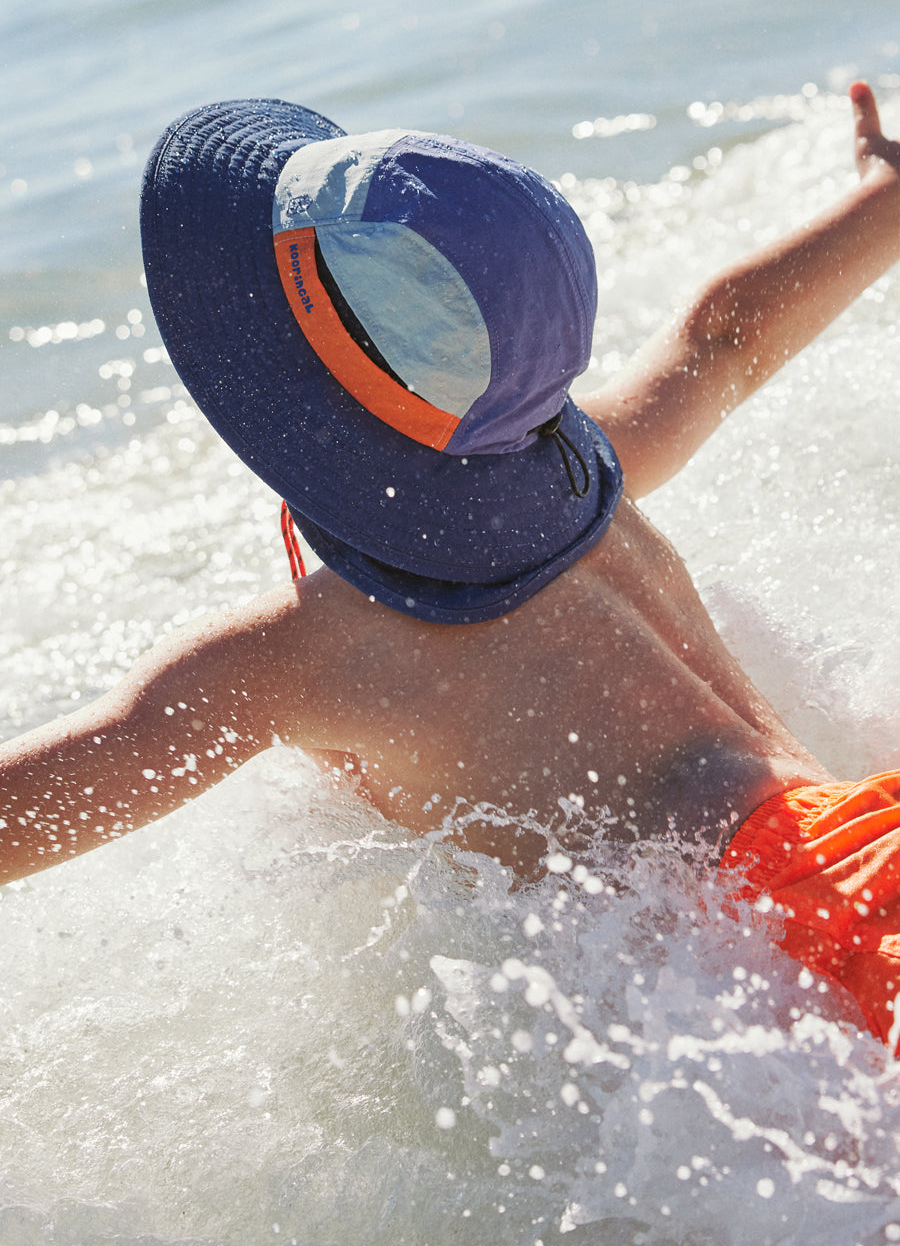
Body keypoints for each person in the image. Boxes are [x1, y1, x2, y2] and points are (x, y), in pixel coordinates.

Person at [1, 82, 899, 1047]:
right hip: (855, 841)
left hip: (799, 949)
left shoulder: (304, 655)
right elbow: (723, 339)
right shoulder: (585, 474)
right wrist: (885, 199)